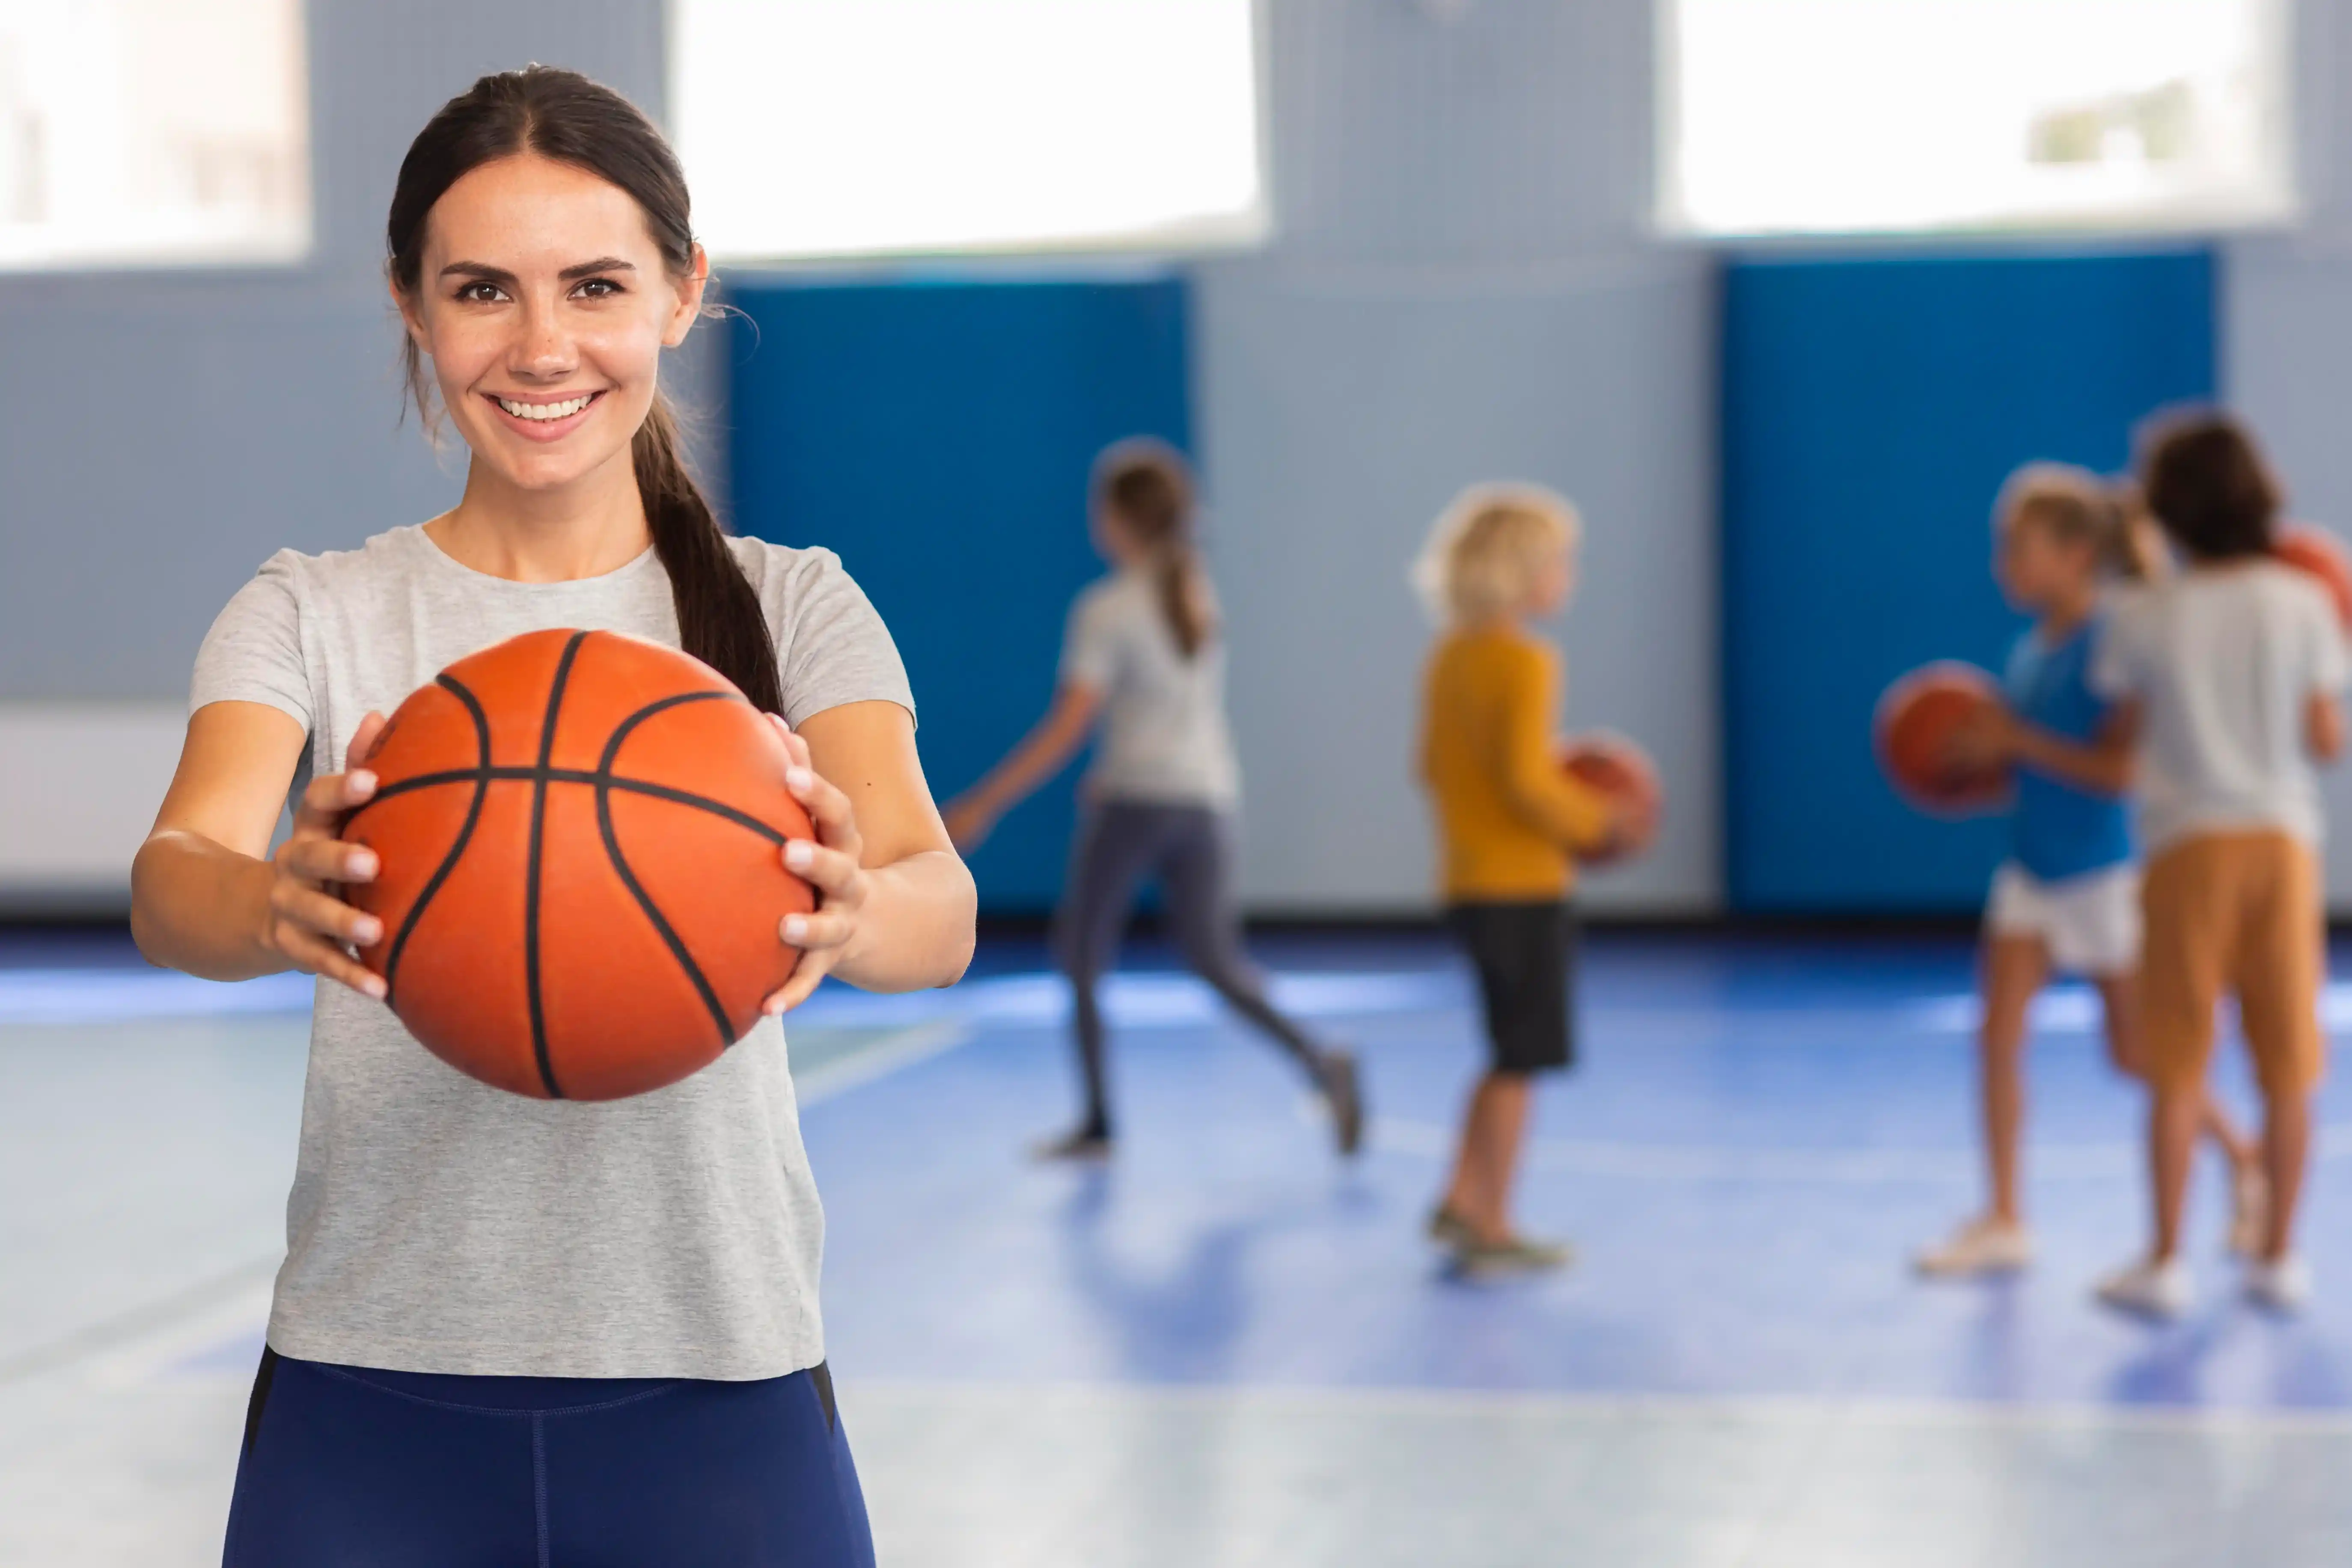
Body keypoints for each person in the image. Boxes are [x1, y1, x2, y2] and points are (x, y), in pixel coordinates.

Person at [128, 69, 974, 1565]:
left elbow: (938, 908)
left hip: (720, 1390)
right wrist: (270, 901)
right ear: (410, 305)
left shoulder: (792, 603)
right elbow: (173, 876)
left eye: (594, 285)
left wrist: (854, 905)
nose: (540, 346)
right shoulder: (315, 610)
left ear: (680, 291)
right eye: (480, 291)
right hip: (366, 1396)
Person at [942, 439, 1364, 1161]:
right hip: (1206, 802)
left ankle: (1099, 1123)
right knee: (1217, 963)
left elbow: (1067, 727)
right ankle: (1319, 1057)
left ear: (1116, 518)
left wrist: (982, 803)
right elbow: (1164, 713)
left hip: (1136, 806)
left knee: (1079, 957)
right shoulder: (1197, 593)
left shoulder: (1107, 608)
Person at [1916, 465, 2262, 1279]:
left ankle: (2246, 1161)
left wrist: (2017, 745)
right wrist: (1972, 769)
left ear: (2077, 554)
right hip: (2029, 874)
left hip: (2103, 878)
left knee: (2140, 1053)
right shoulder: (2027, 648)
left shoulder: (2114, 639)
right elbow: (2027, 762)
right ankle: (2004, 1215)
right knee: (1996, 1038)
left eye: (2019, 547)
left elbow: (2117, 772)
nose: (2003, 562)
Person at [2088, 412, 2346, 1318]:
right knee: (2286, 1065)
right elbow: (2325, 738)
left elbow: (2118, 739)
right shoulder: (2303, 601)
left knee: (2176, 1063)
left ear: (2165, 508)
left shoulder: (2139, 614)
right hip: (2280, 843)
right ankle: (2277, 1256)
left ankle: (2163, 1261)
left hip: (2183, 848)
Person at [1414, 483, 1652, 1278]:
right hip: (1523, 886)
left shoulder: (1449, 657)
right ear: (1521, 573)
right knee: (1524, 1060)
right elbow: (1525, 778)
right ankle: (1494, 1222)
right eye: (1561, 563)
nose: (1569, 578)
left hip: (1464, 880)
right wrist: (1598, 820)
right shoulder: (1525, 660)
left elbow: (1430, 766)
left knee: (1500, 1049)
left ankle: (1457, 1194)